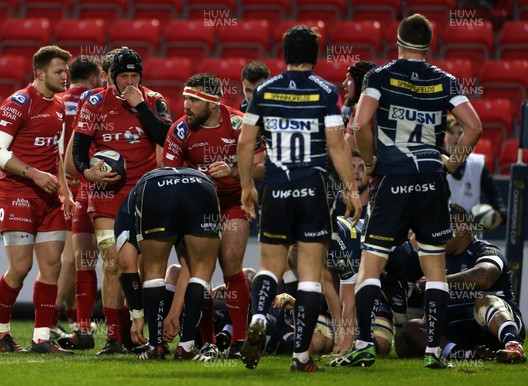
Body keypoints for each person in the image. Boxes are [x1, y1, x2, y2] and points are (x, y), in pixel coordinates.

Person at [328, 13, 482, 369]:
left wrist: (369, 162)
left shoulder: (379, 76)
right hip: (431, 179)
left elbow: (361, 123)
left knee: (370, 263)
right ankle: (432, 352)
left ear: (398, 41)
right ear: (428, 44)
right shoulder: (445, 79)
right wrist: (452, 163)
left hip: (393, 176)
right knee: (435, 267)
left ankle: (363, 344)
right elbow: (473, 127)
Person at [237, 25, 362, 372]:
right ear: (315, 55)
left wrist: (248, 185)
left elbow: (246, 142)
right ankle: (301, 357)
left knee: (269, 267)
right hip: (313, 189)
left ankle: (259, 315)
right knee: (310, 276)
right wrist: (351, 188)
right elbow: (337, 143)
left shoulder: (263, 90)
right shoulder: (325, 92)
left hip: (276, 188)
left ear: (285, 54)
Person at [71, 48, 172, 355]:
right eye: (123, 76)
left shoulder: (153, 100)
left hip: (145, 193)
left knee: (140, 266)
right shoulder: (94, 101)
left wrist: (140, 106)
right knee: (112, 263)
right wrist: (89, 172)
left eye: (134, 76)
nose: (129, 82)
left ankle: (136, 330)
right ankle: (114, 337)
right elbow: (78, 150)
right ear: (111, 77)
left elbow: (166, 136)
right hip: (105, 195)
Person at [162, 73, 265, 359]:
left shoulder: (238, 124)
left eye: (194, 99)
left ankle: (239, 342)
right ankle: (207, 341)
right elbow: (169, 176)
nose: (186, 105)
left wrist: (233, 172)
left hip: (233, 202)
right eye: (185, 98)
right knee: (199, 274)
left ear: (212, 102)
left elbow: (261, 167)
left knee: (232, 269)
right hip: (197, 208)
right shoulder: (179, 131)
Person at [0, 45, 74, 354]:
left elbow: (58, 153)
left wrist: (66, 192)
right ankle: (1, 333)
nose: (65, 76)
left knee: (52, 266)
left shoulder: (61, 106)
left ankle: (41, 338)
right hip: (18, 193)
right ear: (39, 73)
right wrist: (34, 174)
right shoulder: (18, 103)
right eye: (58, 71)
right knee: (21, 267)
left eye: (66, 71)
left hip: (50, 197)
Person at [114, 167, 222, 361]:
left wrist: (137, 317)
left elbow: (126, 265)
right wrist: (174, 312)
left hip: (155, 187)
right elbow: (188, 268)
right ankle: (186, 348)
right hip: (201, 184)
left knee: (154, 269)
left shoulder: (125, 211)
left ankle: (156, 347)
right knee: (202, 269)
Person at [400, 203, 526, 364]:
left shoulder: (486, 251)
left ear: (460, 229)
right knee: (412, 326)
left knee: (485, 302)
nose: (436, 236)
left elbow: (484, 277)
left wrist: (439, 281)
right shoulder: (434, 259)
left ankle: (513, 345)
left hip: (492, 331)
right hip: (458, 335)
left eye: (441, 229)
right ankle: (464, 355)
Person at [59, 48, 122, 351]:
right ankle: (83, 327)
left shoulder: (143, 103)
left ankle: (111, 329)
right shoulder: (91, 101)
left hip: (74, 186)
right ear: (102, 76)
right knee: (84, 259)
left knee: (88, 260)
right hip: (86, 186)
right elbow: (73, 155)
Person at [51, 54, 103, 339]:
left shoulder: (57, 100)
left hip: (54, 180)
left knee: (70, 254)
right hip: (78, 183)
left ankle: (72, 316)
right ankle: (51, 315)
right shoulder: (94, 100)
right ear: (95, 77)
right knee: (75, 256)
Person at [444, 115, 506, 231]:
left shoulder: (477, 163)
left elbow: (494, 195)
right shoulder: (435, 162)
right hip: (442, 229)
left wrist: (501, 214)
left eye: (460, 133)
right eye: (451, 133)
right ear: (444, 136)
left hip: (470, 232)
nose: (456, 137)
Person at [341, 61, 377, 149]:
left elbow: (349, 145)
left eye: (349, 79)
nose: (344, 84)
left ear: (361, 82)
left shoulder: (363, 108)